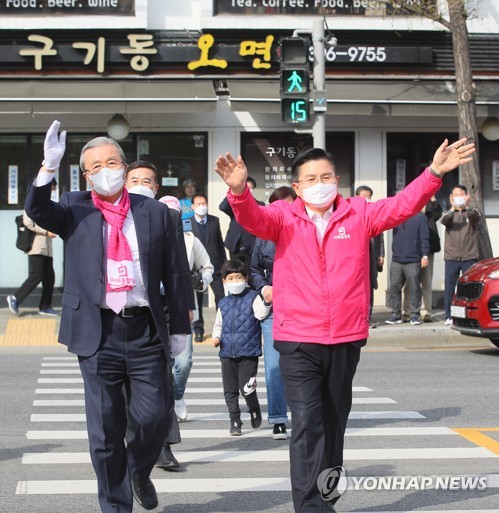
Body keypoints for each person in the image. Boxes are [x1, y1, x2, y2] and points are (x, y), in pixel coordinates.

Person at [214, 137, 475, 513]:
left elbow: (403, 206)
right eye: (310, 178)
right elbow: (252, 218)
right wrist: (239, 191)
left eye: (327, 175)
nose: (319, 182)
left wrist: (434, 173)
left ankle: (326, 497)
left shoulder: (359, 212)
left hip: (345, 338)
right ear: (298, 185)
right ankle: (309, 507)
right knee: (306, 424)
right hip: (298, 339)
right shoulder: (283, 217)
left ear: (337, 179)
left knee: (333, 425)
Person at [25, 120, 191, 513]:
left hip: (145, 328)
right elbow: (36, 209)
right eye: (95, 166)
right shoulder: (72, 206)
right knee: (105, 432)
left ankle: (137, 469)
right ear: (86, 175)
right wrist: (47, 168)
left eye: (112, 162)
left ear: (125, 165)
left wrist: (181, 329)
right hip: (97, 332)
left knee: (155, 416)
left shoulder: (154, 212)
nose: (105, 171)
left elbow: (175, 272)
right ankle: (116, 507)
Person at [124, 162, 196, 472]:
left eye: (146, 181)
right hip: (122, 309)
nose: (140, 184)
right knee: (124, 382)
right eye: (134, 179)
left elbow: (179, 266)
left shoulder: (168, 216)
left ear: (156, 189)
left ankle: (163, 446)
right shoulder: (113, 217)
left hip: (162, 307)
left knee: (162, 377)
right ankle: (133, 446)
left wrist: (185, 308)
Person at [159, 195, 214, 424]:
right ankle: (164, 402)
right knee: (162, 363)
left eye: (175, 215)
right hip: (156, 309)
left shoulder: (190, 240)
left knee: (184, 361)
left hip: (184, 308)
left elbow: (207, 267)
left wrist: (201, 281)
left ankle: (178, 395)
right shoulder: (148, 239)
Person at [250, 186, 295, 440]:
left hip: (302, 307)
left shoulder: (305, 231)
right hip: (273, 308)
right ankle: (278, 417)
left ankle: (305, 414)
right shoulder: (263, 236)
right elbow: (254, 269)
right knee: (274, 366)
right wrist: (264, 287)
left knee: (303, 365)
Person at [211, 258, 271, 435]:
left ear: (245, 279)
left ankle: (254, 408)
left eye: (238, 277)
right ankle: (235, 421)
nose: (235, 281)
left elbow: (260, 314)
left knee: (247, 388)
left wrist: (267, 302)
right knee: (230, 390)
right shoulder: (223, 302)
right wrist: (216, 337)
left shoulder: (253, 296)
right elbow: (218, 324)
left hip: (248, 351)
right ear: (224, 281)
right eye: (230, 278)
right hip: (227, 353)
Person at [7, 179, 59, 317]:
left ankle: (45, 306)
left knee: (49, 278)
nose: (52, 191)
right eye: (52, 188)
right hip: (36, 246)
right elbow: (28, 222)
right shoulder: (33, 200)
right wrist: (47, 231)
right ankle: (15, 298)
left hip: (46, 248)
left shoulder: (45, 204)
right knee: (36, 275)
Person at [440, 184, 482, 326]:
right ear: (451, 197)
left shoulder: (471, 213)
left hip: (469, 257)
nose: (458, 197)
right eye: (455, 194)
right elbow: (444, 220)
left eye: (461, 194)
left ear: (466, 196)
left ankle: (469, 316)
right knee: (450, 287)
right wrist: (453, 207)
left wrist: (467, 205)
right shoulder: (448, 214)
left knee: (469, 288)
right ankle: (449, 315)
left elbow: (475, 217)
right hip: (452, 257)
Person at [190, 192, 227, 342]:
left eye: (204, 204)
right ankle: (198, 330)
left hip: (216, 267)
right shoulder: (187, 223)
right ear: (193, 206)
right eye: (198, 204)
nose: (202, 207)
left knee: (221, 298)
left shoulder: (214, 221)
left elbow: (219, 243)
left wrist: (224, 265)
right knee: (197, 301)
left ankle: (221, 328)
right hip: (196, 269)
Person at [385, 211, 430, 325]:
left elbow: (425, 237)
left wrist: (425, 255)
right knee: (394, 287)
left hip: (413, 259)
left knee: (415, 288)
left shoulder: (420, 217)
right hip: (396, 259)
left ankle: (415, 315)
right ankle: (395, 314)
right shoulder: (396, 216)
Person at [402, 196, 442, 322]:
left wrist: (434, 200)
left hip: (428, 249)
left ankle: (426, 312)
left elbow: (437, 213)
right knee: (409, 282)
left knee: (426, 282)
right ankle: (407, 310)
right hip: (411, 251)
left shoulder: (429, 207)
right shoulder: (409, 205)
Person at [354, 185, 385, 328]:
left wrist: (381, 254)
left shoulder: (374, 214)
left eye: (369, 196)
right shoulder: (352, 214)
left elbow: (381, 235)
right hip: (357, 260)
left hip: (372, 259)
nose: (366, 199)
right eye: (363, 196)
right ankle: (358, 318)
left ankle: (368, 317)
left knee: (370, 287)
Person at [220, 176, 265, 272]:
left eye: (250, 188)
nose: (248, 190)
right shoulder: (234, 202)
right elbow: (223, 207)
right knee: (235, 271)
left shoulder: (259, 204)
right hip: (235, 245)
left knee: (251, 273)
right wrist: (234, 190)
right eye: (246, 188)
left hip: (251, 246)